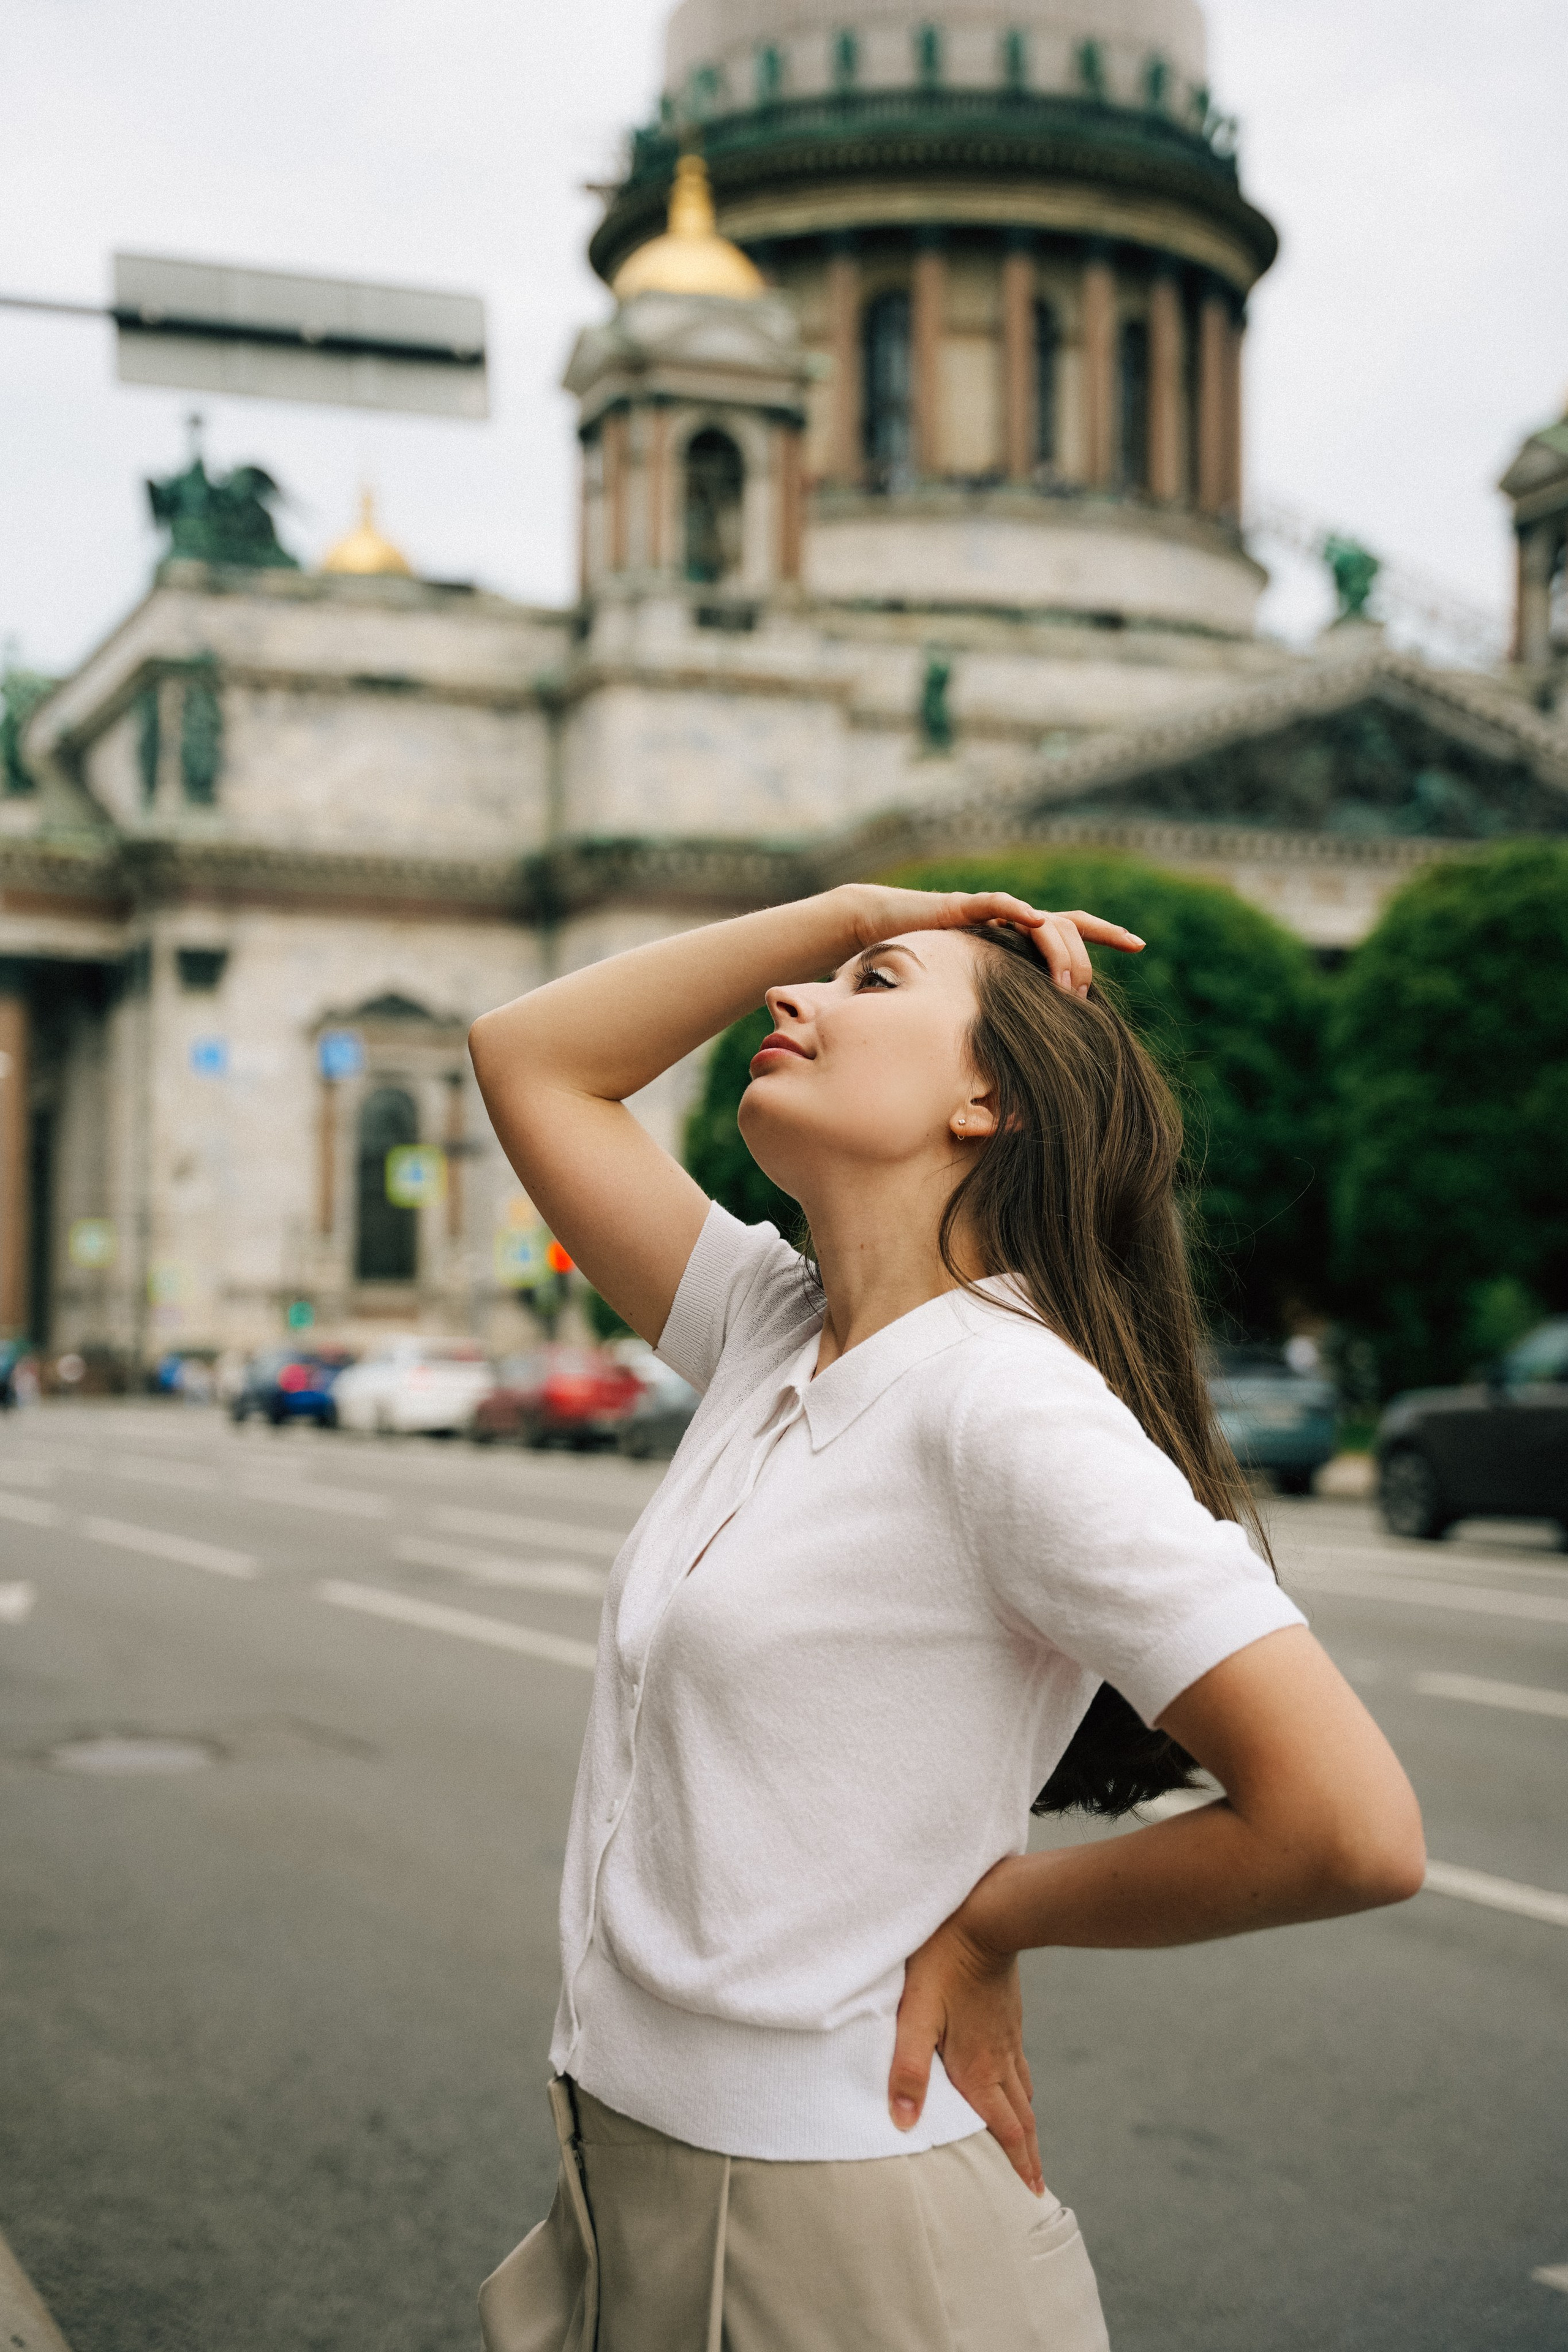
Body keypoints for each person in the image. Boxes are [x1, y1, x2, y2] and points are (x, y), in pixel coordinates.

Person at [468, 884, 1425, 2352]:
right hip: (633, 2178)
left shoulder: (1009, 1404)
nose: (794, 1002)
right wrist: (857, 908)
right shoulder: (769, 1330)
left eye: (871, 983)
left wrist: (992, 1927)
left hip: (830, 2236)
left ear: (988, 1097)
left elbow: (1347, 1828)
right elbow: (528, 1054)